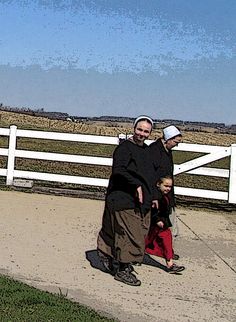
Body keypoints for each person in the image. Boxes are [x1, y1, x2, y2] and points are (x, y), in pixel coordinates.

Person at [97, 115, 158, 286]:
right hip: (123, 198)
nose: (142, 134)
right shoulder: (124, 149)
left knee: (140, 231)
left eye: (146, 131)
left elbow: (149, 175)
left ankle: (109, 253)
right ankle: (123, 269)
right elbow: (119, 170)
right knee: (131, 235)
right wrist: (135, 185)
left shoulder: (146, 151)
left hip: (142, 200)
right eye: (139, 130)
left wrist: (153, 196)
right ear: (134, 129)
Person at [145, 176, 185, 273]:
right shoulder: (155, 197)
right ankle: (134, 254)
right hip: (155, 224)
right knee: (146, 241)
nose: (168, 188)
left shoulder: (165, 197)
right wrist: (157, 219)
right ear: (159, 185)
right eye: (166, 186)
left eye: (170, 187)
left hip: (163, 226)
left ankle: (170, 263)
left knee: (167, 240)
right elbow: (152, 211)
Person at [150, 125, 182, 238]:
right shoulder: (154, 151)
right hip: (157, 193)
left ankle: (168, 247)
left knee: (169, 222)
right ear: (168, 139)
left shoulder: (168, 151)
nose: (176, 145)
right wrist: (154, 195)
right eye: (176, 142)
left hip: (167, 193)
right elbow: (151, 174)